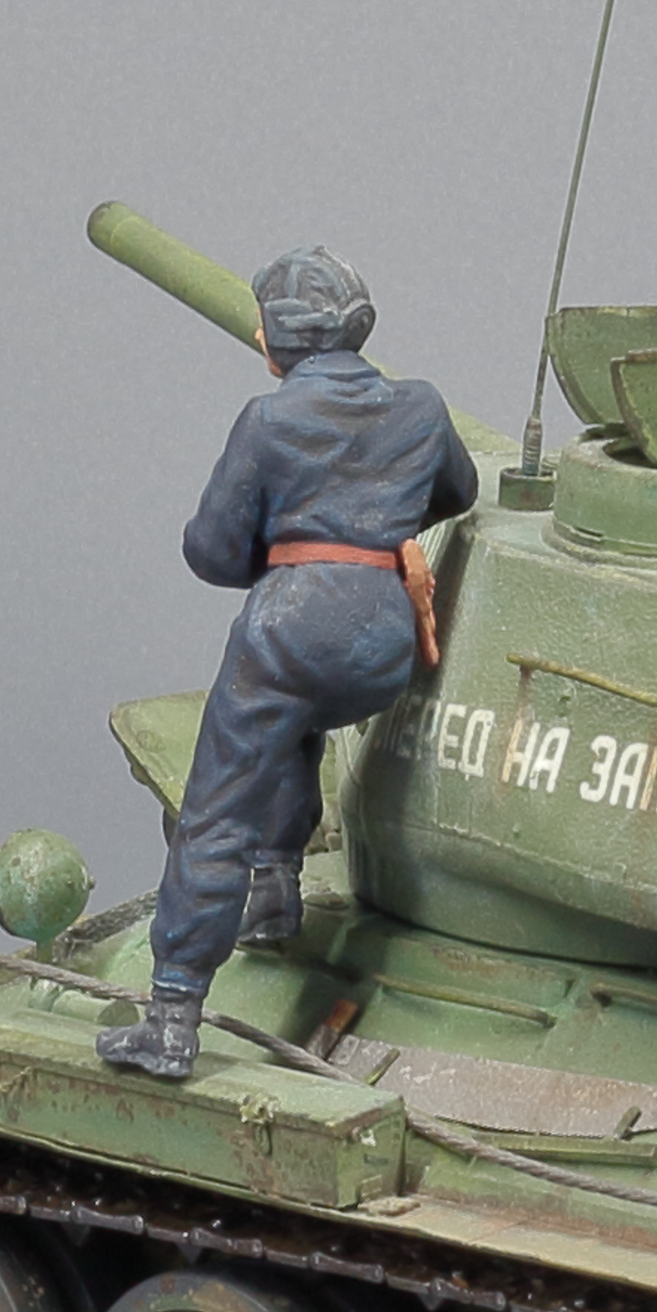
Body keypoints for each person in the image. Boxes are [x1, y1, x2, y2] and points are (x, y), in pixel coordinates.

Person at [97, 245, 477, 1081]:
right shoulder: (419, 405)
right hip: (384, 643)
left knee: (216, 809)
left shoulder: (267, 421)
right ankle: (274, 889)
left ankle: (171, 1016)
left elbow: (211, 549)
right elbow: (458, 490)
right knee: (298, 717)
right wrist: (373, 532)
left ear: (279, 338)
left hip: (293, 625)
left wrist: (295, 557)